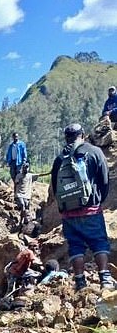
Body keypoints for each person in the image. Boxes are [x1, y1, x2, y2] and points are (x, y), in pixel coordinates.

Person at [50, 123, 111, 291]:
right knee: (99, 242)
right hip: (91, 209)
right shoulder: (94, 152)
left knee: (75, 246)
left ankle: (80, 281)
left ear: (66, 138)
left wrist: (64, 207)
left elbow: (55, 188)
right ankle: (105, 278)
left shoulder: (59, 159)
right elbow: (104, 180)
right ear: (83, 134)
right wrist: (99, 199)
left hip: (69, 214)